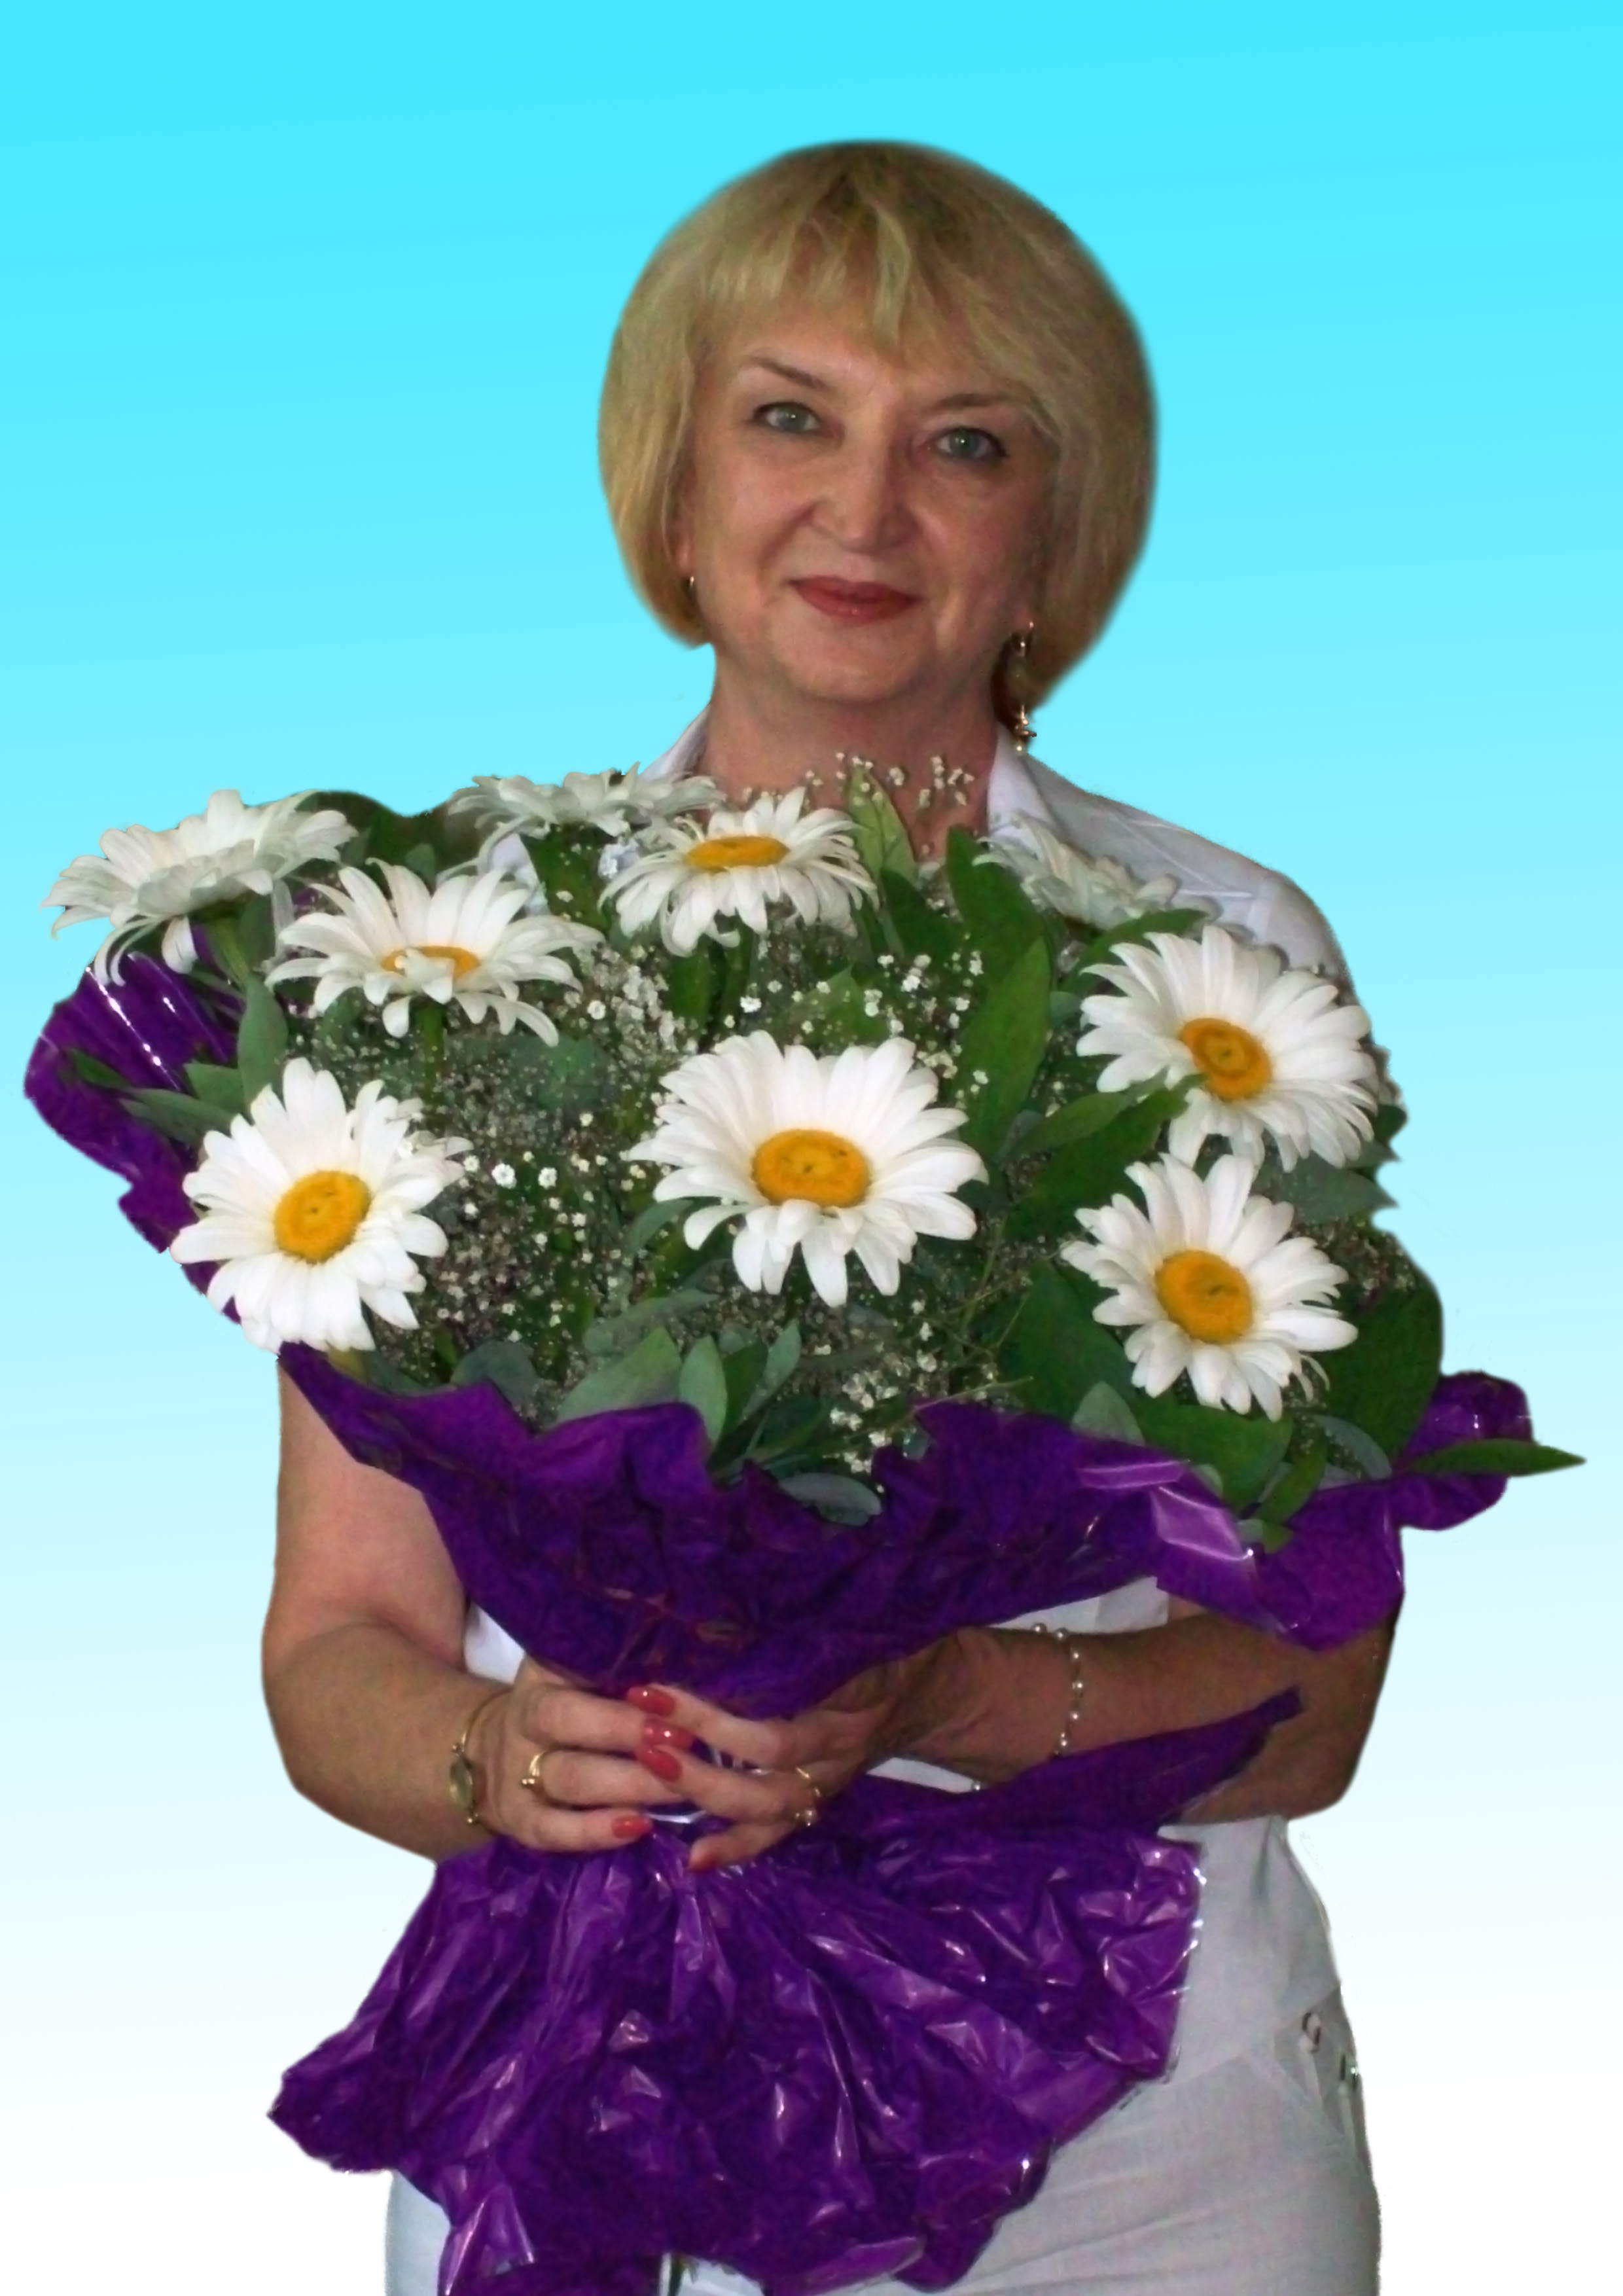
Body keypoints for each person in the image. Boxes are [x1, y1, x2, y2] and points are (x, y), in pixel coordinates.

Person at [264, 143, 1391, 2295]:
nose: (866, 510)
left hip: (1146, 2149)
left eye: (966, 444)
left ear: (1053, 535)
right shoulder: (445, 967)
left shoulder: (1222, 972)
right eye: (792, 417)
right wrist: (506, 1755)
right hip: (598, 2114)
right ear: (674, 493)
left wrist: (938, 1692)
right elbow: (338, 1647)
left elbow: (1320, 1700)